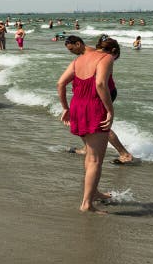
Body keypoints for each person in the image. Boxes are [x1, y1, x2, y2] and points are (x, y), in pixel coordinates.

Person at [57, 35, 114, 213]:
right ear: (113, 51)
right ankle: (86, 204)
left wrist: (65, 108)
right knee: (95, 160)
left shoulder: (77, 61)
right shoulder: (106, 58)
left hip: (77, 107)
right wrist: (110, 110)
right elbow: (100, 84)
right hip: (94, 108)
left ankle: (94, 192)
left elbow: (60, 83)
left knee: (90, 154)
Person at [67, 35, 134, 165]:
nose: (72, 53)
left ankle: (124, 153)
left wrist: (109, 109)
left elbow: (100, 83)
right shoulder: (100, 55)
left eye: (71, 50)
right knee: (85, 121)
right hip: (91, 93)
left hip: (104, 93)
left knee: (100, 125)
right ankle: (87, 147)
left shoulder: (99, 56)